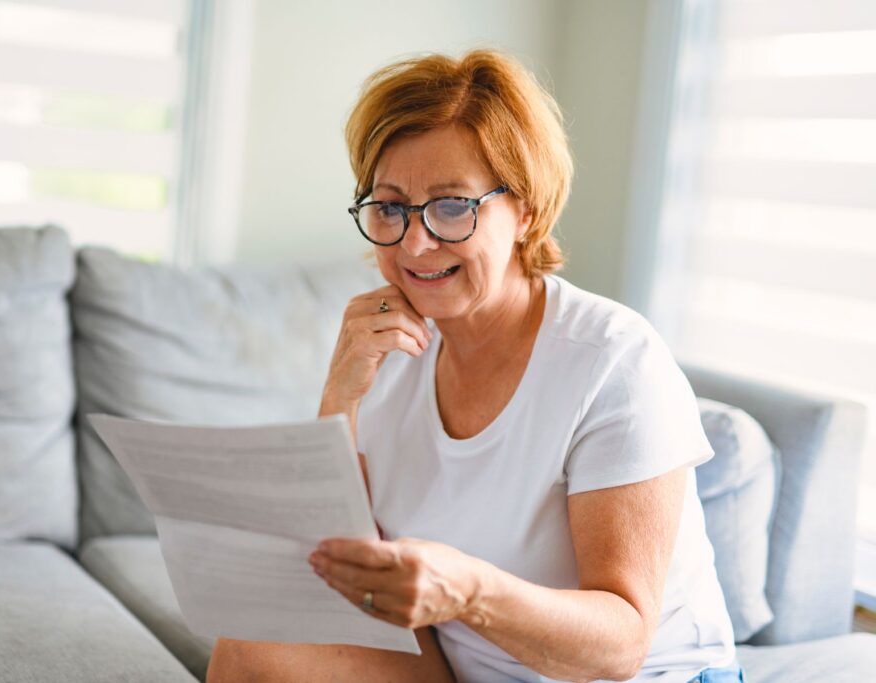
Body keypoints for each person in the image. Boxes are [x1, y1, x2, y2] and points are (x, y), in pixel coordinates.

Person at [207, 49, 745, 683]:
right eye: (390, 207)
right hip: (469, 666)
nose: (414, 243)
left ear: (525, 210)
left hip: (639, 677)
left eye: (452, 206)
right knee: (247, 648)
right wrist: (339, 398)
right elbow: (339, 571)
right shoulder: (389, 346)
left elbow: (621, 646)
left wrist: (470, 591)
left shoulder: (614, 361)